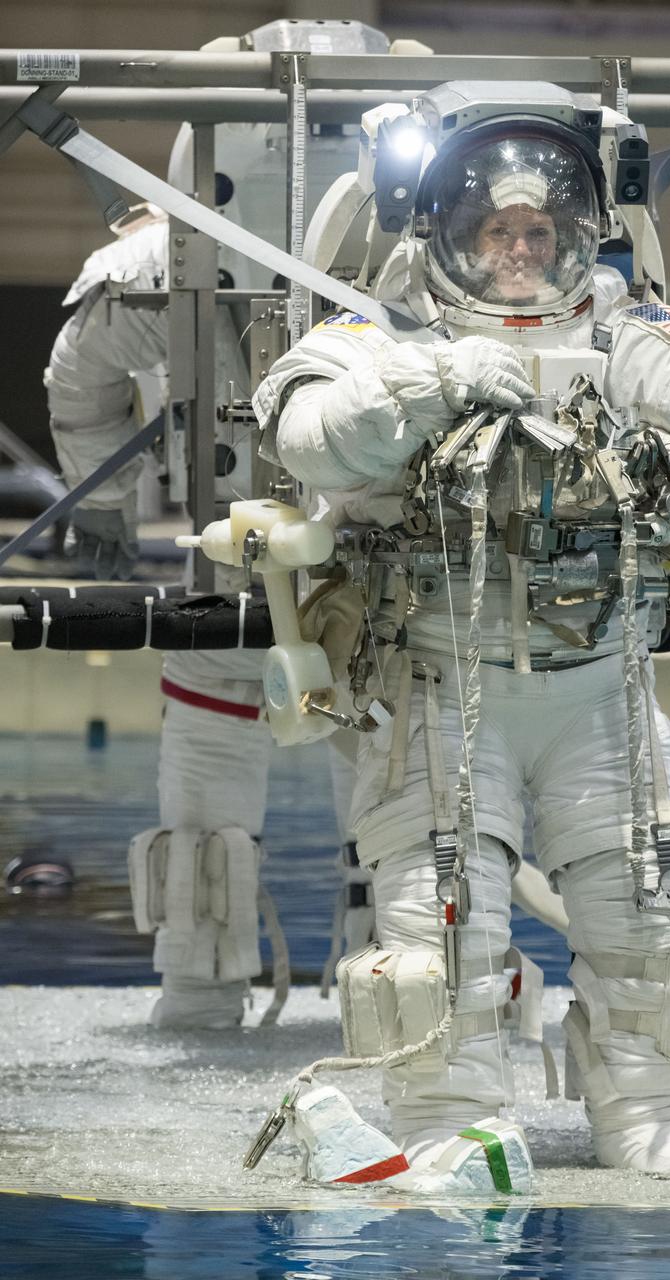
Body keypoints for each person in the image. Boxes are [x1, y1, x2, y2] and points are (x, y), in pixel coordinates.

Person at [252, 80, 670, 1177]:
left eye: (540, 230)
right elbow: (306, 436)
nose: (519, 249)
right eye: (496, 228)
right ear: (448, 228)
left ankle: (645, 1109)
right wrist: (427, 383)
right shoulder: (382, 332)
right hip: (440, 680)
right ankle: (447, 1117)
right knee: (438, 921)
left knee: (644, 906)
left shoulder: (624, 327)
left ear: (577, 233)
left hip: (600, 684)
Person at [44, 18, 392, 1028]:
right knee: (382, 809)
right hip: (332, 589)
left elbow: (79, 378)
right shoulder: (416, 272)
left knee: (385, 814)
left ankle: (240, 995)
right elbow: (81, 369)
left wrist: (104, 508)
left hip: (307, 584)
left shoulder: (165, 263)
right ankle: (353, 999)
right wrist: (104, 512)